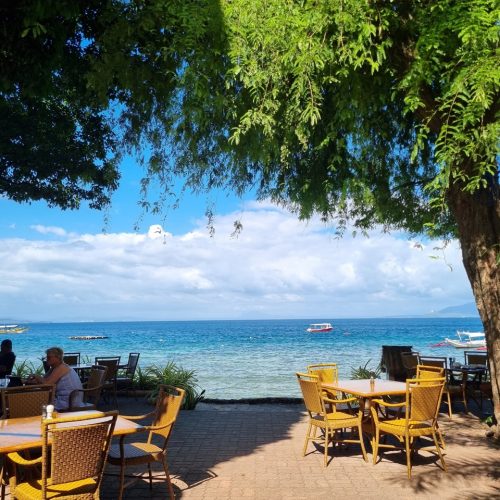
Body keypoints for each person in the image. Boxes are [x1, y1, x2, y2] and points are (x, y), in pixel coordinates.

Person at [29, 347, 83, 411]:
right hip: (67, 399)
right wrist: (32, 381)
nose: (46, 359)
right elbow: (44, 380)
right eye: (47, 357)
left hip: (69, 402)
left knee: (36, 403)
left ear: (57, 358)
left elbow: (47, 384)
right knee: (35, 400)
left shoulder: (62, 368)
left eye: (49, 357)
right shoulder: (54, 368)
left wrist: (36, 376)